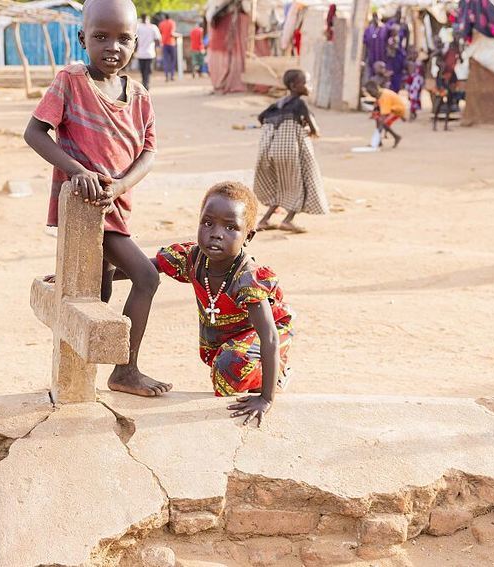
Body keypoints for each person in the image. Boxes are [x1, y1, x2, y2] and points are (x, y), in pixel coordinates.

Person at [23, 0, 172, 397]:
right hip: (87, 211)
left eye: (123, 39)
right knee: (146, 276)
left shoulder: (139, 95)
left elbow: (149, 153)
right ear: (82, 38)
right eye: (100, 37)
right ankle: (125, 371)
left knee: (97, 291)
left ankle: (77, 385)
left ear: (136, 42)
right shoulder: (70, 82)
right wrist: (78, 171)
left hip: (115, 205)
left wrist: (121, 185)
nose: (112, 47)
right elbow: (35, 133)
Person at [154, 182, 295, 425]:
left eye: (231, 227)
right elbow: (143, 268)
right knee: (224, 362)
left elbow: (269, 336)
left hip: (268, 332)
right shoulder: (193, 259)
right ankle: (250, 369)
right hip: (225, 337)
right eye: (208, 223)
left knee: (230, 366)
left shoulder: (247, 278)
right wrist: (104, 269)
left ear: (248, 236)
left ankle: (272, 376)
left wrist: (266, 399)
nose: (216, 233)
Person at [253, 69, 329, 234]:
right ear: (294, 86)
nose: (309, 86)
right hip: (290, 151)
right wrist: (307, 130)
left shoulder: (276, 105)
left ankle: (264, 220)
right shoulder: (300, 103)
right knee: (298, 184)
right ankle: (288, 220)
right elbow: (314, 128)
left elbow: (261, 118)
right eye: (306, 82)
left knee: (281, 186)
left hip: (271, 151)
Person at [365, 80, 406, 148]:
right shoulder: (380, 93)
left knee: (383, 122)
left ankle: (396, 137)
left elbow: (384, 114)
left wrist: (380, 123)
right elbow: (377, 108)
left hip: (397, 110)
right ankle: (378, 141)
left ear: (376, 89)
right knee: (378, 119)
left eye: (371, 92)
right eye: (369, 93)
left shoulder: (384, 96)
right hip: (391, 109)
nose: (371, 95)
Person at [135, 14, 160, 90]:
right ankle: (146, 82)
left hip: (141, 53)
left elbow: (135, 40)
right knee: (147, 70)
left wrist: (134, 49)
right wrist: (155, 47)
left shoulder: (138, 27)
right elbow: (158, 39)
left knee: (143, 70)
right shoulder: (153, 27)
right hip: (150, 53)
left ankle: (145, 82)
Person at [158, 14, 178, 81]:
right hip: (171, 43)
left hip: (164, 43)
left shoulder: (161, 23)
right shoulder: (172, 23)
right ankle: (172, 76)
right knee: (172, 60)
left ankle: (166, 76)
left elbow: (160, 32)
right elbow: (172, 33)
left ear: (164, 17)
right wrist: (178, 35)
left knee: (166, 60)